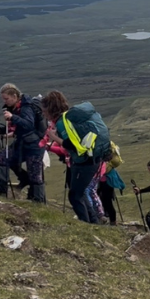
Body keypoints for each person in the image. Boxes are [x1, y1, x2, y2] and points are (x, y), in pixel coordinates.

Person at [43, 92, 110, 221]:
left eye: (44, 111)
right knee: (80, 192)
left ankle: (88, 223)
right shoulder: (68, 117)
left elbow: (71, 145)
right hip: (92, 159)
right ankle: (92, 221)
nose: (43, 114)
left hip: (84, 162)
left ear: (51, 109)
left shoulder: (62, 122)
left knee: (74, 195)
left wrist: (54, 137)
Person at [0, 84, 45, 202]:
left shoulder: (26, 107)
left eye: (6, 98)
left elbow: (28, 124)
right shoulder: (16, 107)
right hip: (22, 142)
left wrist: (12, 117)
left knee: (35, 174)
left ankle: (38, 201)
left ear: (14, 96)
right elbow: (19, 127)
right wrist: (1, 130)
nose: (4, 101)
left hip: (34, 145)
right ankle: (2, 190)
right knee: (2, 157)